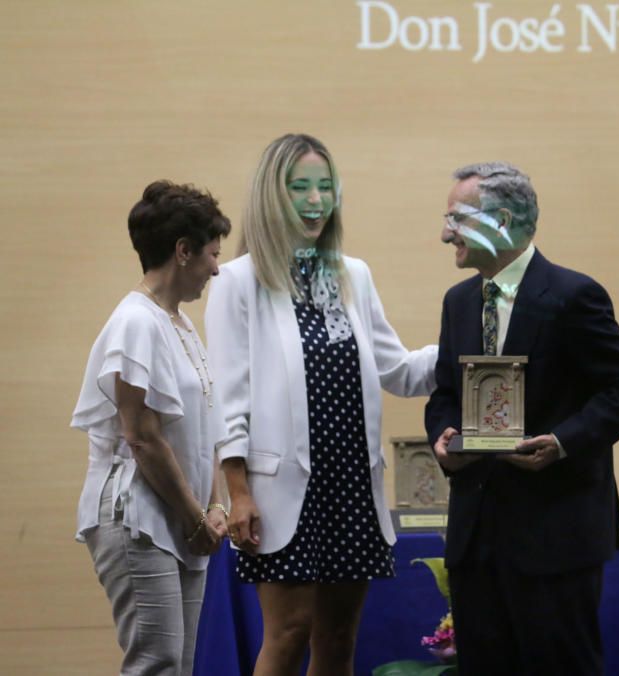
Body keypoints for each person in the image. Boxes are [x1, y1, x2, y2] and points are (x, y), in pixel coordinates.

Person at [205, 133, 437, 676]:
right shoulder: (238, 281)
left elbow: (397, 369)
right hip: (282, 486)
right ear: (271, 195)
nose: (315, 200)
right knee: (287, 634)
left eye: (325, 187)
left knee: (338, 638)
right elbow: (228, 399)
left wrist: (466, 348)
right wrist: (237, 492)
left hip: (352, 481)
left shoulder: (351, 273)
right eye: (300, 187)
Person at [424, 162, 619, 675]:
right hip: (476, 539)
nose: (445, 234)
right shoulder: (459, 302)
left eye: (457, 219)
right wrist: (442, 441)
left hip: (555, 537)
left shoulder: (574, 297)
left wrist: (564, 440)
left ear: (502, 221)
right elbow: (444, 394)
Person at [71, 180, 233, 675]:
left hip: (180, 515)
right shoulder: (135, 322)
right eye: (210, 253)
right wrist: (194, 518)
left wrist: (216, 505)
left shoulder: (179, 323)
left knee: (178, 665)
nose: (216, 267)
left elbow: (202, 427)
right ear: (183, 252)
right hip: (138, 512)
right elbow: (141, 437)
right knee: (156, 663)